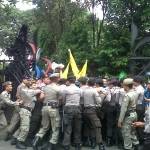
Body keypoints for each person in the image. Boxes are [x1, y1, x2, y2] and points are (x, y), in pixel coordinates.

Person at [12, 78, 43, 149]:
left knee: (22, 126)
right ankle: (19, 142)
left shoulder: (29, 91)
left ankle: (15, 139)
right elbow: (39, 90)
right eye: (33, 84)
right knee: (25, 128)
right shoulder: (30, 91)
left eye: (35, 84)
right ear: (30, 86)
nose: (35, 86)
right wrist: (38, 88)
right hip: (26, 110)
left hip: (27, 111)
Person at [33, 73, 61, 150]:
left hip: (44, 108)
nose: (59, 79)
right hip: (53, 109)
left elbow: (41, 98)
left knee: (44, 127)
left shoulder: (45, 88)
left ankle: (35, 143)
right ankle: (50, 146)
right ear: (56, 79)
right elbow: (62, 100)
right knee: (55, 128)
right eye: (58, 77)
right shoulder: (58, 88)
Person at [82, 77, 105, 150]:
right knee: (97, 127)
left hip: (85, 111)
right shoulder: (94, 91)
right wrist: (103, 95)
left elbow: (82, 101)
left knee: (90, 127)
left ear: (87, 83)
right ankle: (100, 144)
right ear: (94, 84)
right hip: (92, 111)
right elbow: (99, 101)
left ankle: (92, 143)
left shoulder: (84, 91)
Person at [118, 78, 139, 150]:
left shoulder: (127, 95)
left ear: (126, 86)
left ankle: (128, 147)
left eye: (123, 85)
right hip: (134, 114)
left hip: (128, 116)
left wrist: (120, 121)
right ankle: (136, 145)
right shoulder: (135, 93)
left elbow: (123, 109)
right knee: (133, 132)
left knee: (126, 133)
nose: (123, 87)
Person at [62, 76, 82, 150]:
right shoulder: (79, 89)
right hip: (77, 108)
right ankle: (77, 144)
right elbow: (81, 99)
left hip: (68, 108)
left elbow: (63, 100)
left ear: (68, 81)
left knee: (68, 127)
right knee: (77, 127)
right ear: (75, 81)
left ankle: (66, 144)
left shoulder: (65, 89)